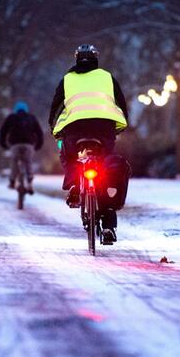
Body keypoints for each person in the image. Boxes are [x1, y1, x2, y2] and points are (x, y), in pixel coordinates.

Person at [48, 44, 128, 244]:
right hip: (104, 130)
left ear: (76, 59)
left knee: (68, 155)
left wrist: (54, 128)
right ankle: (108, 220)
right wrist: (121, 124)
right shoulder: (107, 77)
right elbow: (121, 104)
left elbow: (56, 108)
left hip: (74, 131)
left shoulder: (67, 80)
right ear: (96, 59)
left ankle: (76, 185)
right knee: (106, 165)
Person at [0, 101, 43, 194]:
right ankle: (30, 182)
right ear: (26, 109)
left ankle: (12, 181)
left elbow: (3, 131)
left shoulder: (11, 118)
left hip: (15, 144)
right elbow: (39, 133)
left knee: (14, 161)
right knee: (28, 161)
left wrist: (3, 144)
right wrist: (38, 145)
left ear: (16, 109)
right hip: (29, 145)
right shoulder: (31, 118)